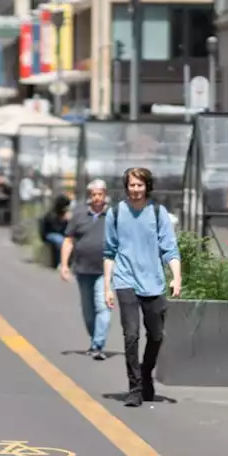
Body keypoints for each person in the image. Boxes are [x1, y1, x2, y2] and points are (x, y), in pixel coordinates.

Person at [103, 167, 182, 408]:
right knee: (131, 335)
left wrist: (176, 277)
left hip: (154, 282)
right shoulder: (115, 213)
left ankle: (146, 372)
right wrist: (108, 287)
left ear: (147, 186)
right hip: (125, 280)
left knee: (156, 336)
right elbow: (109, 252)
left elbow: (170, 249)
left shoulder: (158, 213)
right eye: (131, 185)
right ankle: (135, 388)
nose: (135, 190)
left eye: (139, 185)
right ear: (126, 187)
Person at [60, 180, 111, 359]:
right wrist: (64, 265)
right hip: (83, 269)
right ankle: (95, 340)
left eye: (100, 194)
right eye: (94, 194)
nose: (97, 198)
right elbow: (68, 240)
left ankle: (98, 346)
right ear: (90, 196)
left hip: (105, 271)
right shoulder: (80, 214)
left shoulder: (113, 215)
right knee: (88, 312)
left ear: (105, 195)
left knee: (103, 306)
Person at [41, 195, 73, 268]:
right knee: (60, 241)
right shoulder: (52, 214)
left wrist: (70, 220)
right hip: (49, 234)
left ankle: (71, 262)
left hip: (61, 234)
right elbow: (56, 229)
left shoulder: (65, 213)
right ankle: (60, 262)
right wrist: (63, 220)